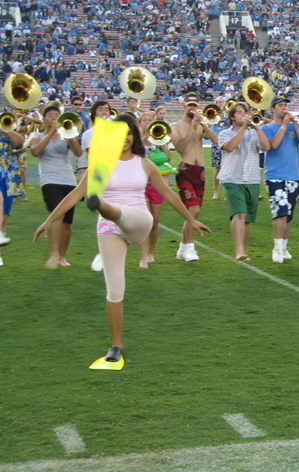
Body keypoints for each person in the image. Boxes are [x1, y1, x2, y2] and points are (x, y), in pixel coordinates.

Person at [33, 114, 210, 368]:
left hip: (138, 222)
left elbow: (168, 194)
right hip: (109, 227)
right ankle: (116, 346)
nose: (124, 138)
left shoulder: (144, 164)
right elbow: (74, 195)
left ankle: (102, 205)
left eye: (128, 133)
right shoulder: (101, 165)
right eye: (119, 133)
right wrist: (49, 221)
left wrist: (190, 221)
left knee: (116, 211)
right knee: (115, 290)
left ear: (135, 136)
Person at [30, 103, 82, 269]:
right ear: (44, 119)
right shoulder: (37, 137)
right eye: (50, 115)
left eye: (56, 115)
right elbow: (36, 152)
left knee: (67, 222)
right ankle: (53, 254)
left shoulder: (65, 136)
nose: (53, 118)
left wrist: (70, 135)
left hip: (68, 180)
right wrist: (51, 132)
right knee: (56, 215)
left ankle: (61, 256)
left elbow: (78, 153)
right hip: (49, 180)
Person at [218, 102, 272, 260]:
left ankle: (243, 250)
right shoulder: (224, 133)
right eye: (240, 112)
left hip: (252, 179)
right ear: (232, 116)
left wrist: (256, 127)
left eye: (245, 112)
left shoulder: (254, 132)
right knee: (239, 213)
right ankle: (239, 251)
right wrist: (243, 128)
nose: (243, 115)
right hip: (232, 178)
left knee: (247, 218)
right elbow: (229, 147)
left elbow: (266, 147)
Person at [170, 92, 218, 262]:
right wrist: (191, 129)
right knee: (193, 210)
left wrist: (204, 126)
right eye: (189, 105)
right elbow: (180, 148)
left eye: (195, 105)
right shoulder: (175, 126)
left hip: (200, 172)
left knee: (194, 213)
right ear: (183, 105)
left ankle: (183, 248)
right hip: (185, 170)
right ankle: (190, 248)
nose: (192, 108)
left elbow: (215, 140)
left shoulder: (200, 125)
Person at [262, 96, 299, 263]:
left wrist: (295, 123)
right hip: (274, 176)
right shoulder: (267, 128)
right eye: (280, 105)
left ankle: (283, 247)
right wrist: (283, 125)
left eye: (286, 105)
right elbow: (272, 145)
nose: (284, 108)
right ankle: (276, 248)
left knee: (288, 215)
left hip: (293, 176)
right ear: (273, 109)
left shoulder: (293, 126)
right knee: (280, 211)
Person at [82, 100, 111, 272]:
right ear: (94, 114)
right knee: (103, 215)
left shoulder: (116, 131)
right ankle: (101, 253)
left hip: (116, 173)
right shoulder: (88, 135)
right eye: (100, 110)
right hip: (98, 174)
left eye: (106, 109)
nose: (104, 112)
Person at [137, 110, 170, 268]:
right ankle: (143, 256)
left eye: (150, 120)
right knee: (145, 220)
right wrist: (145, 136)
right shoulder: (137, 140)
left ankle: (150, 252)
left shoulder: (159, 139)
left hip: (156, 184)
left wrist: (160, 141)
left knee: (155, 222)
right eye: (145, 120)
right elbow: (135, 153)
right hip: (141, 184)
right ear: (140, 123)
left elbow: (169, 156)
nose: (148, 122)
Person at [0, 120, 24, 266]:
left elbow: (19, 143)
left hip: (8, 175)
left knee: (3, 218)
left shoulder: (7, 130)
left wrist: (5, 128)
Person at [67, 96, 91, 183]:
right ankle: (71, 189)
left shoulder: (84, 117)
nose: (78, 106)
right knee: (71, 171)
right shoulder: (67, 116)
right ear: (71, 105)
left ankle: (80, 192)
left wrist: (83, 124)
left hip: (81, 145)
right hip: (71, 146)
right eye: (76, 104)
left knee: (82, 170)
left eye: (80, 104)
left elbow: (87, 132)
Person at [210, 96, 228, 200]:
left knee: (228, 168)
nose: (222, 103)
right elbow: (215, 120)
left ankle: (227, 191)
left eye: (223, 102)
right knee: (217, 168)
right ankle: (216, 192)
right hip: (216, 142)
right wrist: (221, 109)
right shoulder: (211, 113)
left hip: (227, 142)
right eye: (220, 102)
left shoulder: (229, 114)